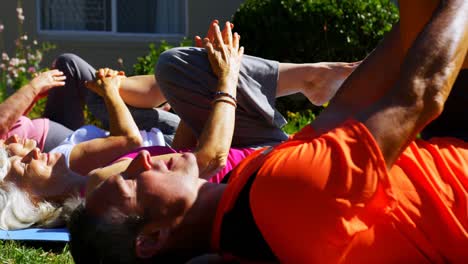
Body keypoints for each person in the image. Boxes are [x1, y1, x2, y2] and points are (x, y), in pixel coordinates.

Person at [70, 1, 468, 263]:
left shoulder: (249, 195)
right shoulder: (278, 197)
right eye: (132, 184)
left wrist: (420, 15)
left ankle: (316, 76)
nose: (140, 159)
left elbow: (347, 106)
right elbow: (419, 97)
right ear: (152, 239)